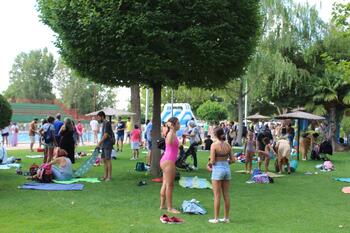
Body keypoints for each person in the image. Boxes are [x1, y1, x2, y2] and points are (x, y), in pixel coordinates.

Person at [207, 127, 235, 223]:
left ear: (215, 135)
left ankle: (216, 219)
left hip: (217, 169)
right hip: (227, 169)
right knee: (226, 194)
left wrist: (209, 165)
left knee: (217, 195)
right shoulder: (228, 145)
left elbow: (213, 160)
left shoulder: (214, 145)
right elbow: (233, 160)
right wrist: (225, 162)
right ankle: (226, 218)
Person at [160, 117, 181, 214]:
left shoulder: (172, 133)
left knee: (165, 183)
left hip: (167, 160)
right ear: (173, 125)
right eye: (178, 123)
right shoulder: (171, 133)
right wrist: (171, 129)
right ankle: (169, 208)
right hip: (168, 161)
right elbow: (168, 143)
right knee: (170, 185)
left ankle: (162, 205)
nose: (179, 125)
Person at [97, 111, 114, 181]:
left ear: (102, 116)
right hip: (104, 144)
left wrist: (99, 143)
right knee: (104, 160)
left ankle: (109, 177)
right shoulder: (104, 123)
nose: (98, 119)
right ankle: (105, 176)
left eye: (98, 117)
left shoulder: (107, 123)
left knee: (108, 160)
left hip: (108, 144)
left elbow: (105, 135)